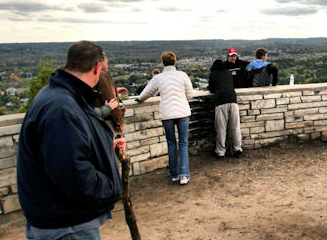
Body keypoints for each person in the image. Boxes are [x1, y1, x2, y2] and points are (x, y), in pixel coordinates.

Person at [16, 40, 126, 240]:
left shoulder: (64, 97)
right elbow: (72, 174)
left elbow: (69, 152)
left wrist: (105, 151)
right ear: (97, 68)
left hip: (60, 222)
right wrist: (111, 187)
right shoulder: (61, 108)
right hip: (68, 227)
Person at [137, 51, 194, 185]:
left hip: (167, 114)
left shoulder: (158, 78)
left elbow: (146, 93)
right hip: (182, 112)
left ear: (163, 63)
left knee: (171, 143)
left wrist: (139, 99)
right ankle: (184, 175)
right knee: (184, 143)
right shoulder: (183, 75)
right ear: (175, 62)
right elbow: (190, 95)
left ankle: (174, 174)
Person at [208, 59, 243, 158]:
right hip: (233, 100)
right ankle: (238, 149)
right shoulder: (228, 73)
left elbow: (211, 88)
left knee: (221, 128)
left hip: (221, 102)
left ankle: (220, 151)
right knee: (235, 127)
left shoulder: (213, 74)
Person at [93, 55, 126, 135]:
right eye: (106, 63)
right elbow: (111, 101)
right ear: (100, 63)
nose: (107, 65)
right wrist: (119, 122)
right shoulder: (102, 76)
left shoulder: (88, 76)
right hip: (106, 122)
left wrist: (115, 90)